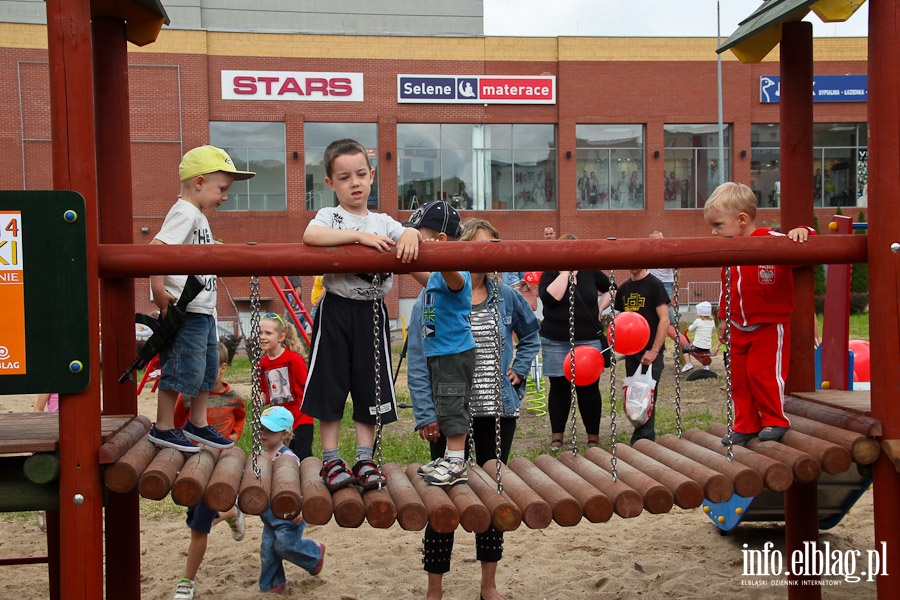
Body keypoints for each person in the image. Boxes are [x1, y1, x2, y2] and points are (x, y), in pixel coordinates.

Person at [409, 218, 540, 600]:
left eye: (493, 246)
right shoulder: (432, 298)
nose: (488, 254)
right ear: (461, 248)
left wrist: (518, 368)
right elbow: (421, 355)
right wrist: (424, 412)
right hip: (450, 415)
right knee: (443, 499)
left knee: (492, 497)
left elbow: (530, 335)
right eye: (480, 246)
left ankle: (488, 584)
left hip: (496, 411)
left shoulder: (507, 296)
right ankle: (435, 588)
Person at [301, 138, 421, 491]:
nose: (353, 183)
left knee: (372, 386)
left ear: (371, 176)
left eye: (359, 175)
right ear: (330, 184)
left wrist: (412, 231)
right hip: (337, 310)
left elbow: (406, 234)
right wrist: (359, 240)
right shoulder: (331, 217)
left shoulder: (383, 221)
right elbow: (311, 235)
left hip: (372, 313)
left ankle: (365, 459)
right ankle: (331, 459)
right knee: (331, 382)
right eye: (343, 177)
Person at [148, 145, 254, 453]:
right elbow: (157, 249)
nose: (224, 196)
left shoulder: (198, 216)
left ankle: (197, 422)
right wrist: (158, 291)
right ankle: (164, 426)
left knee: (207, 368)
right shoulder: (185, 213)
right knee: (182, 368)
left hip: (203, 309)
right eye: (221, 189)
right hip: (186, 310)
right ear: (198, 182)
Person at [703, 182, 813, 445]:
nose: (714, 232)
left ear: (742, 219)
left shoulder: (770, 241)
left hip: (768, 324)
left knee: (762, 373)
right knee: (739, 377)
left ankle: (775, 419)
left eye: (718, 225)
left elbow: (806, 245)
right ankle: (746, 423)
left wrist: (804, 230)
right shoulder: (728, 253)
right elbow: (726, 287)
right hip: (738, 324)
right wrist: (723, 320)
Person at [405, 200, 475, 486]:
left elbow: (455, 280)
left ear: (441, 241)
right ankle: (449, 457)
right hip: (439, 352)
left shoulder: (455, 272)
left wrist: (442, 254)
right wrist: (407, 239)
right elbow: (412, 265)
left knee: (452, 406)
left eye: (421, 239)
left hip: (453, 353)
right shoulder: (434, 277)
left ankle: (457, 461)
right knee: (444, 403)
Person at [171, 342, 247, 600]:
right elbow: (176, 422)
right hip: (194, 466)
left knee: (198, 528)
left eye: (209, 368)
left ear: (223, 368)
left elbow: (239, 416)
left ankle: (186, 582)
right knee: (196, 518)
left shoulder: (233, 397)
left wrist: (235, 434)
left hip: (219, 466)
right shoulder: (189, 397)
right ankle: (231, 512)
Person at [538, 236, 611, 450]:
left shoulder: (590, 271)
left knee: (589, 389)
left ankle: (593, 436)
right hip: (556, 340)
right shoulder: (550, 272)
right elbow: (551, 298)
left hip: (587, 339)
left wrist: (600, 308)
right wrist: (566, 273)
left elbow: (611, 288)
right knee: (559, 388)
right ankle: (557, 435)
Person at [256, 406, 325, 594]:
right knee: (268, 549)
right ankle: (272, 585)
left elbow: (299, 483)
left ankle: (314, 554)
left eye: (270, 430)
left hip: (289, 513)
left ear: (285, 433)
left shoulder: (289, 457)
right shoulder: (262, 456)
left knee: (285, 545)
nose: (263, 433)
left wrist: (300, 507)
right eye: (261, 428)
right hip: (269, 514)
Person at [613, 267, 670, 444]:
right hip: (632, 352)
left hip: (650, 350)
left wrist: (654, 350)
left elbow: (664, 320)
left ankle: (644, 437)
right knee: (634, 395)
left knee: (647, 394)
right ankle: (641, 433)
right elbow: (623, 321)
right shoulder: (623, 289)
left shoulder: (655, 285)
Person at [257, 313, 314, 461]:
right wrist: (260, 400)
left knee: (302, 457)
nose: (263, 337)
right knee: (279, 457)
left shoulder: (293, 359)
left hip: (300, 419)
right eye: (260, 332)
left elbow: (306, 387)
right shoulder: (262, 364)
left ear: (281, 337)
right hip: (278, 421)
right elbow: (267, 391)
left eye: (268, 333)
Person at [647, 230, 677, 324]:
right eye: (655, 240)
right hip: (651, 282)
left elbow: (677, 270)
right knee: (651, 308)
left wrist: (675, 292)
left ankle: (673, 327)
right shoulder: (647, 252)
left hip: (666, 282)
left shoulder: (668, 251)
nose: (658, 242)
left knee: (666, 307)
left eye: (660, 239)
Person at [681, 301, 716, 372]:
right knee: (706, 350)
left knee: (685, 349)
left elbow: (690, 329)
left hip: (697, 346)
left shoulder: (698, 321)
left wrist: (690, 327)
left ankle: (688, 364)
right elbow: (713, 329)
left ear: (700, 313)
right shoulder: (712, 322)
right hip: (707, 346)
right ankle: (706, 366)